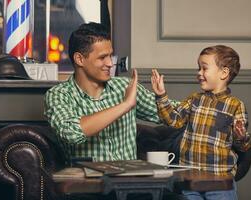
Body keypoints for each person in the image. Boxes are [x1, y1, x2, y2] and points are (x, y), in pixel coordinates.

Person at [44, 22, 163, 164]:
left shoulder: (124, 86)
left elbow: (173, 114)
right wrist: (125, 105)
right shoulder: (58, 95)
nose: (110, 63)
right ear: (79, 59)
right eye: (102, 57)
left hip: (129, 180)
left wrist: (166, 98)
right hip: (87, 182)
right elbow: (72, 133)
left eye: (110, 56)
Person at [151, 45, 251, 200]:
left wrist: (242, 136)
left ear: (224, 73)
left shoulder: (236, 105)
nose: (199, 73)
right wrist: (161, 96)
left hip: (220, 184)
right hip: (191, 182)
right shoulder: (194, 100)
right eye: (199, 68)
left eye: (204, 68)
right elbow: (173, 120)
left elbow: (241, 146)